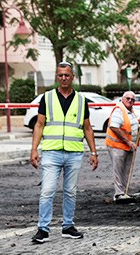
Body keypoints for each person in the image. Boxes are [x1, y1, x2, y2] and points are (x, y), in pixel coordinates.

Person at [29, 62, 98, 244]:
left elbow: (87, 128)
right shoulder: (47, 98)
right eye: (60, 75)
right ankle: (43, 229)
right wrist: (34, 149)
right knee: (47, 191)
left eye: (67, 75)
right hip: (52, 152)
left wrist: (93, 152)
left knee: (70, 192)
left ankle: (68, 226)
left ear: (72, 76)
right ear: (56, 77)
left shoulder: (81, 100)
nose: (63, 78)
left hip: (74, 153)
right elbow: (39, 124)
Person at [105, 91, 140, 201]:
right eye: (128, 98)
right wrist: (128, 141)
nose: (130, 101)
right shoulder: (119, 110)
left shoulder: (129, 111)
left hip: (128, 147)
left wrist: (139, 121)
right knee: (119, 170)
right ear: (123, 99)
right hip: (117, 145)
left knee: (126, 170)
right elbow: (114, 127)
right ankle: (119, 194)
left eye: (132, 99)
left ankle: (124, 192)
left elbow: (128, 124)